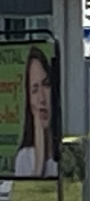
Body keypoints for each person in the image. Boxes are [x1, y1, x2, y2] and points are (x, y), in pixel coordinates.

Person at [13, 47, 56, 178]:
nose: (42, 98)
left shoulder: (69, 155)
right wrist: (39, 161)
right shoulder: (24, 158)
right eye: (35, 90)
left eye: (46, 85)